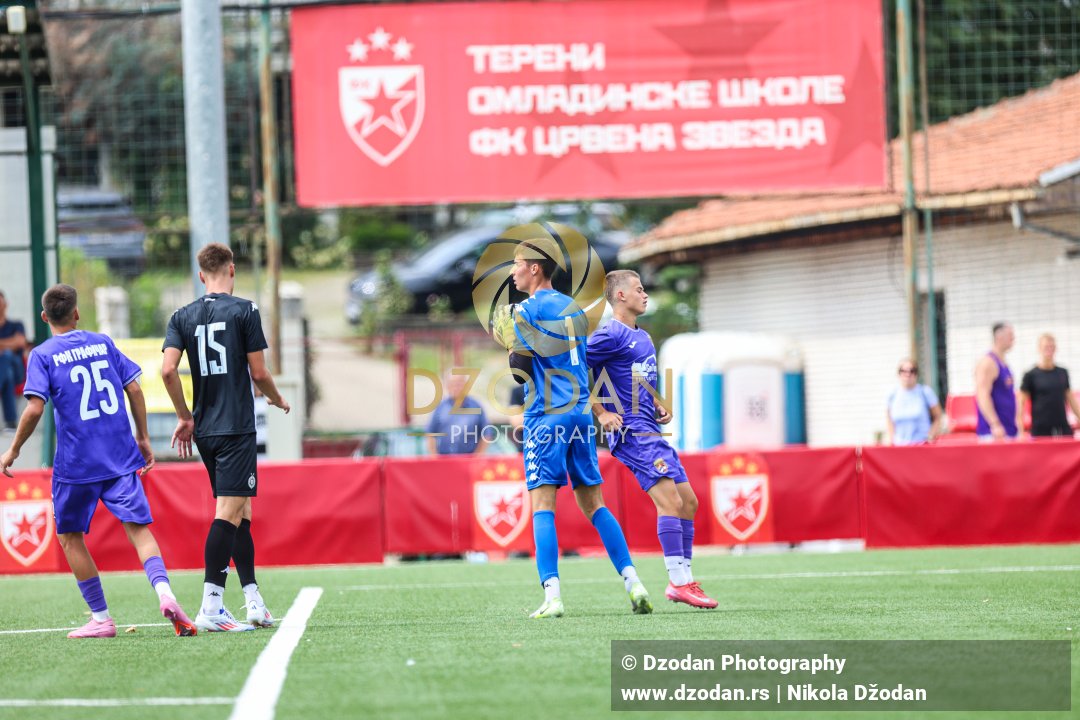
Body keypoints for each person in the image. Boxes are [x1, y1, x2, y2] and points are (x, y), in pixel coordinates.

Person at [0, 284, 196, 638]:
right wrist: (144, 438)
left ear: (45, 318)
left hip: (76, 464)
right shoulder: (102, 342)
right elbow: (134, 388)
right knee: (138, 529)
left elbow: (34, 407)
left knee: (70, 536)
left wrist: (13, 450)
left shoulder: (43, 355)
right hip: (120, 455)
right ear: (77, 313)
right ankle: (165, 593)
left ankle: (102, 618)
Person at [501, 237, 651, 619]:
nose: (513, 271)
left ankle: (552, 596)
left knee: (542, 505)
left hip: (546, 414)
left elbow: (519, 371)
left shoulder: (525, 309)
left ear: (535, 268)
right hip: (581, 413)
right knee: (595, 503)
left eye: (517, 264)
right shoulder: (574, 308)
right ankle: (634, 581)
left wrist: (509, 343)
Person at [161, 242, 290, 633]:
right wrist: (278, 398)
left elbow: (167, 371)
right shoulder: (244, 310)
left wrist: (185, 415)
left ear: (202, 275)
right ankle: (211, 606)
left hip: (206, 431)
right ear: (231, 269)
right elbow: (260, 372)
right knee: (228, 514)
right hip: (235, 427)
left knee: (240, 514)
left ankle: (253, 600)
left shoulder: (181, 316)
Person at [587, 270, 717, 609]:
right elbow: (571, 371)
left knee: (689, 503)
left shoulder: (642, 337)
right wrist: (601, 412)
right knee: (670, 503)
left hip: (651, 430)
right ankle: (678, 582)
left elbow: (638, 378)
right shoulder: (609, 334)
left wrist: (658, 400)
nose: (645, 295)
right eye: (639, 289)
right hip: (632, 433)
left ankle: (685, 581)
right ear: (620, 296)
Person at [1017, 333, 1080, 438]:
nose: (1049, 349)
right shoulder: (1030, 375)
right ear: (1039, 348)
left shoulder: (1062, 372)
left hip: (1062, 428)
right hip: (1040, 430)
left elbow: (1071, 400)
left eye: (1052, 346)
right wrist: (1020, 431)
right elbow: (1020, 404)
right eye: (1046, 347)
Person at [425, 371, 489, 455]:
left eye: (459, 384)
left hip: (469, 461)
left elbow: (487, 434)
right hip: (444, 461)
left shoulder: (476, 407)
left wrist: (477, 456)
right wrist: (435, 457)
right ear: (447, 386)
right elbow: (430, 434)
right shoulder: (440, 408)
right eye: (453, 384)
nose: (456, 387)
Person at [974, 322, 1018, 441]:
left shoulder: (1003, 363)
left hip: (1008, 430)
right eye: (1010, 335)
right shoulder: (988, 363)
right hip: (994, 433)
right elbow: (982, 395)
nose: (1013, 339)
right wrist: (995, 424)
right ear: (999, 337)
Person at [885, 359, 943, 445]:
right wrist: (891, 440)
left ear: (917, 374)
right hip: (899, 447)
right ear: (898, 373)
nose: (908, 374)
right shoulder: (892, 394)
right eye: (903, 371)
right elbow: (889, 420)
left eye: (912, 371)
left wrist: (930, 436)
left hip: (921, 445)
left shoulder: (925, 392)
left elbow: (938, 417)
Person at [0, 290, 28, 431]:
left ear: (5, 304)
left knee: (7, 356)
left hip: (19, 372)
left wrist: (4, 347)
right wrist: (11, 343)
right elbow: (15, 342)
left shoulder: (16, 325)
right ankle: (10, 423)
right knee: (7, 373)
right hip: (6, 374)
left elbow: (20, 343)